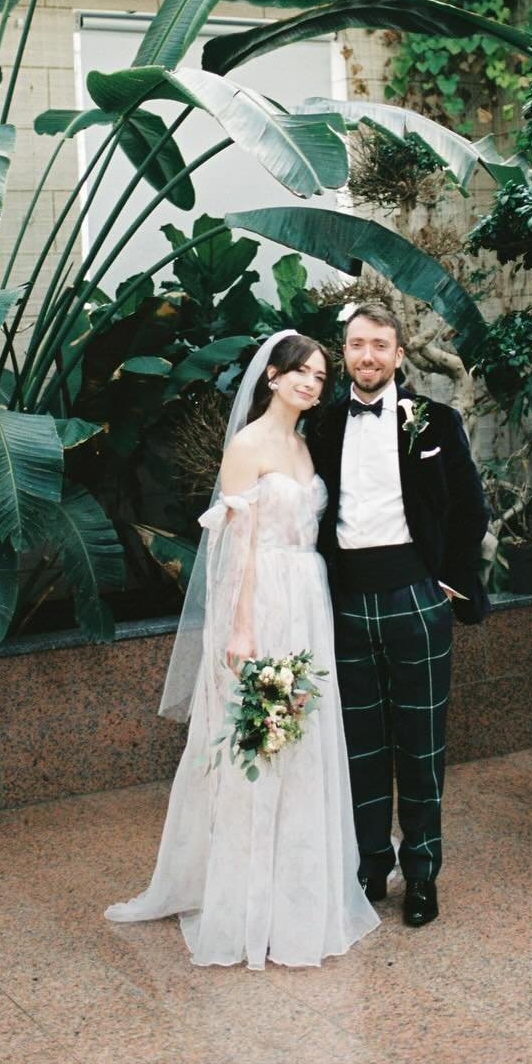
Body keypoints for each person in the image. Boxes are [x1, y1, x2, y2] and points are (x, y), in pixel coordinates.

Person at [105, 330, 380, 970]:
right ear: (273, 378)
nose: (312, 383)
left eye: (319, 374)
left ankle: (301, 892)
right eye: (300, 373)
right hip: (264, 602)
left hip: (308, 597)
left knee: (305, 740)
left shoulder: (306, 446)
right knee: (261, 738)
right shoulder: (247, 446)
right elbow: (237, 548)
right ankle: (248, 900)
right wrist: (239, 627)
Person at [306, 305, 491, 928]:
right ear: (344, 352)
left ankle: (421, 873)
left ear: (398, 353)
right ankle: (368, 868)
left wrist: (449, 583)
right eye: (357, 345)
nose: (367, 356)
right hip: (345, 604)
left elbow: (470, 508)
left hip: (417, 598)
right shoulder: (323, 425)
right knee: (358, 749)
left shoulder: (436, 420)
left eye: (379, 346)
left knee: (420, 747)